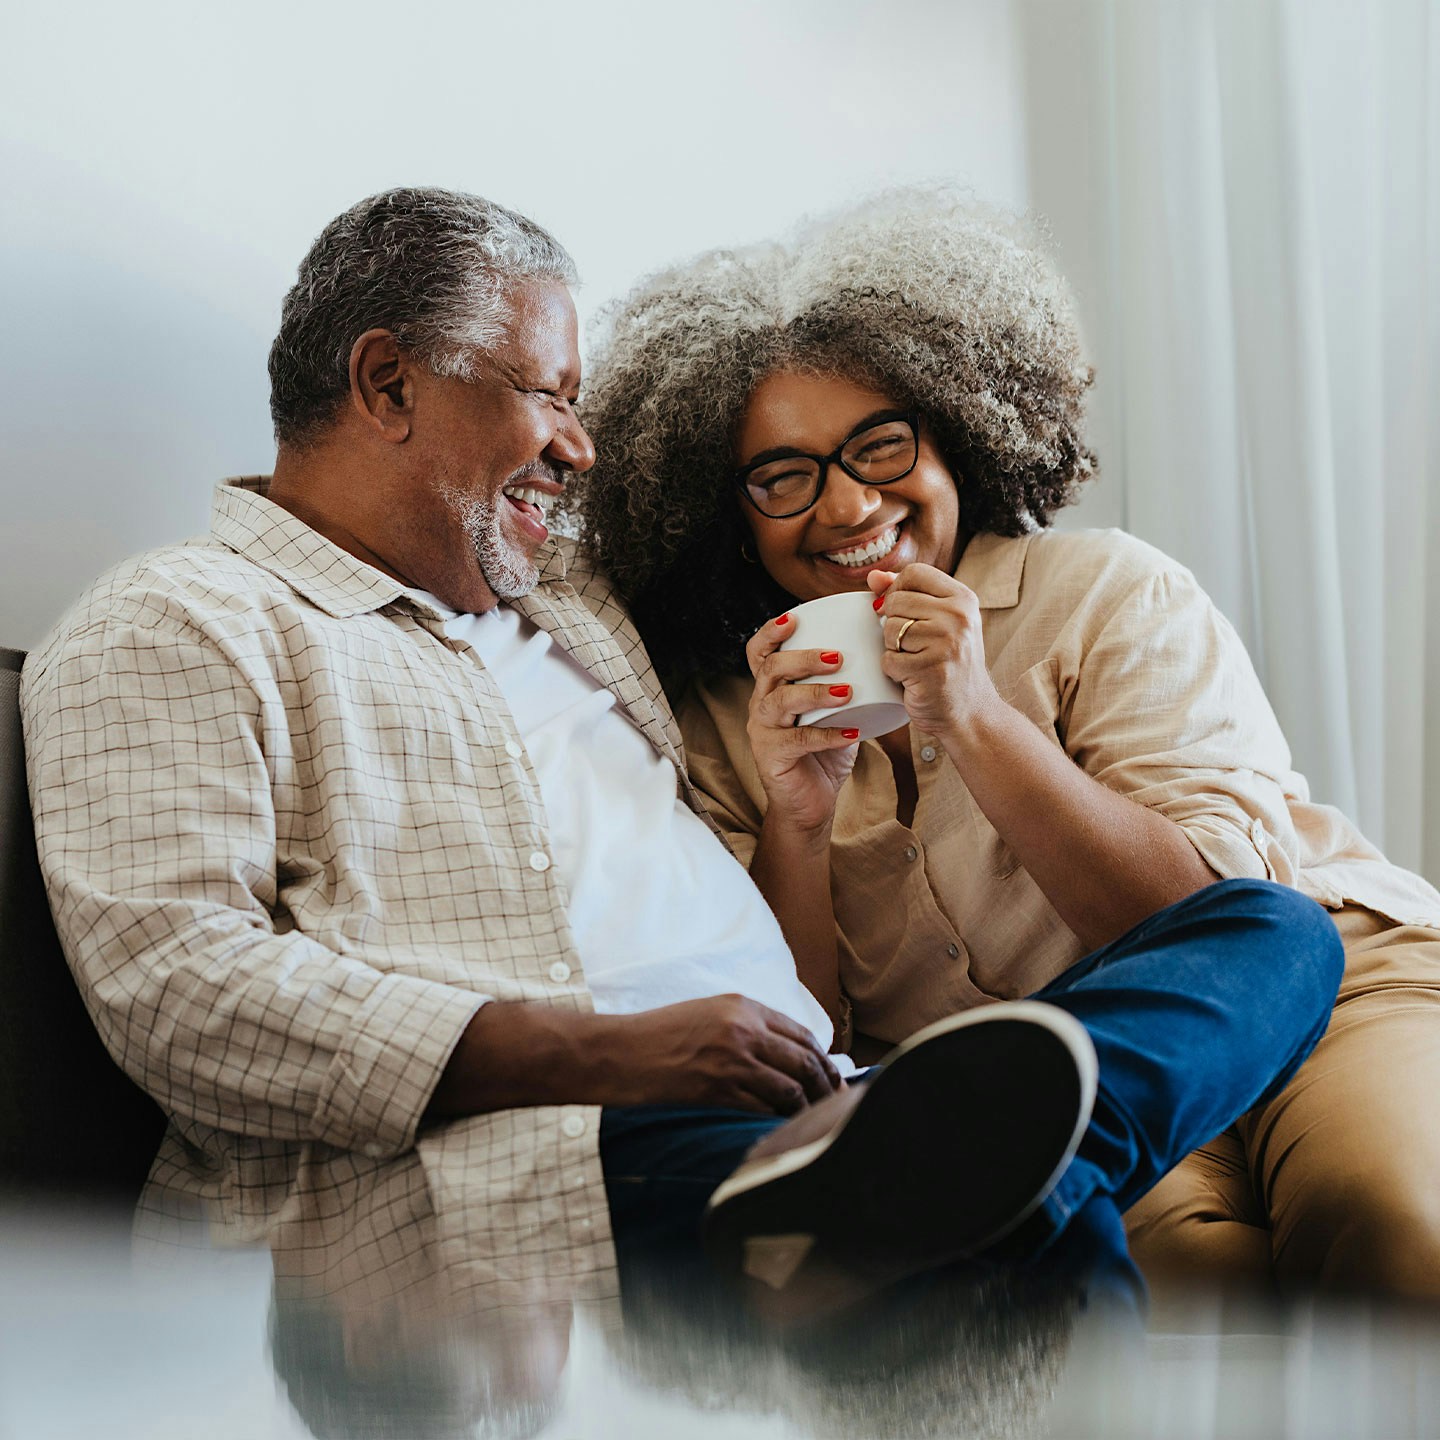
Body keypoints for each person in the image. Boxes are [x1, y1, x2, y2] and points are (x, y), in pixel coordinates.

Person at [21, 188, 1340, 1327]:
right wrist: (601, 1056)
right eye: (546, 393)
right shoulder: (181, 624)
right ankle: (959, 1167)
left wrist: (801, 817)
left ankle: (944, 1155)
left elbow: (759, 965)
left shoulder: (581, 621)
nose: (580, 447)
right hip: (542, 1155)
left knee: (1278, 934)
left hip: (819, 1099)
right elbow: (179, 991)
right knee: (1015, 1237)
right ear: (387, 385)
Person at [574, 188, 1440, 1299]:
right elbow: (804, 1045)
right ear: (727, 512)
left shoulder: (1104, 592)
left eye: (880, 444)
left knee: (1392, 1236)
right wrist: (795, 821)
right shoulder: (723, 720)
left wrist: (972, 717)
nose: (845, 507)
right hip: (1070, 1081)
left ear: (957, 431)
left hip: (1321, 993)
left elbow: (1215, 926)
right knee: (1180, 1287)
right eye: (783, 476)